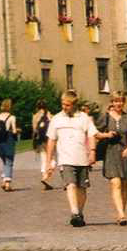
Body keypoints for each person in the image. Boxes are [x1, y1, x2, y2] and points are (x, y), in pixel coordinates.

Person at [46, 89, 99, 228]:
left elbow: (91, 135)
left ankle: (79, 213)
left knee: (82, 188)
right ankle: (74, 212)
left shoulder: (84, 118)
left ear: (74, 104)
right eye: (63, 104)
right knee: (70, 184)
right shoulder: (56, 119)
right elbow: (51, 140)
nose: (64, 107)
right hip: (65, 159)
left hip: (82, 158)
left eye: (67, 105)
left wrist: (92, 152)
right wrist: (48, 161)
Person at [101, 91, 127, 226]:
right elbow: (95, 134)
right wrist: (106, 135)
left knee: (124, 184)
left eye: (121, 101)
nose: (118, 103)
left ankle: (121, 212)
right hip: (111, 153)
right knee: (115, 183)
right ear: (112, 102)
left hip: (125, 153)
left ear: (124, 102)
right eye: (116, 101)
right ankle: (121, 214)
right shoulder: (105, 118)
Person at [0, 98, 19, 191]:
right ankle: (7, 183)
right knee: (9, 162)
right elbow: (14, 130)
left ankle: (4, 181)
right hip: (8, 140)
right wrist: (16, 135)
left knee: (4, 162)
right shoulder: (12, 117)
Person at [32, 102, 53, 190]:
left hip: (40, 140)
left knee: (43, 158)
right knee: (52, 158)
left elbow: (34, 129)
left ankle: (44, 175)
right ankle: (47, 176)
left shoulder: (35, 116)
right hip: (48, 139)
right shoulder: (49, 115)